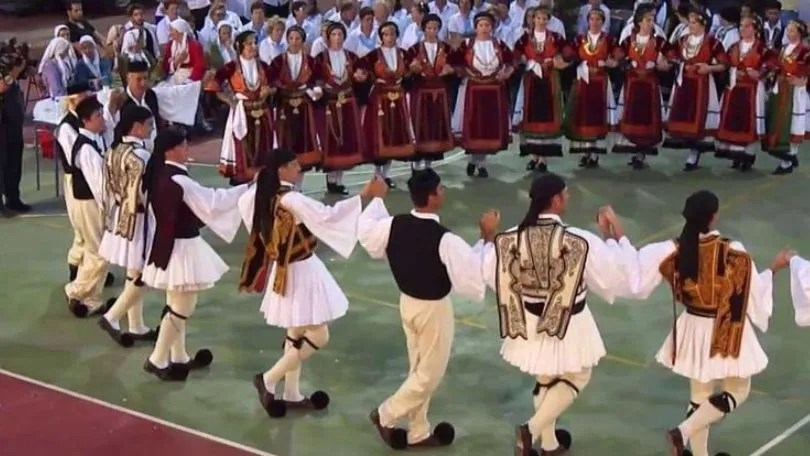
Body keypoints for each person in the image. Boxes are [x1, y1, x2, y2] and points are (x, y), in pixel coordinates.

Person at [602, 190, 791, 456]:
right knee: (738, 390)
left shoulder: (673, 249)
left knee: (700, 395)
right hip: (725, 327)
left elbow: (634, 270)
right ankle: (683, 431)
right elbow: (751, 292)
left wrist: (616, 234)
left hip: (692, 325)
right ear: (713, 217)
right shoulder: (732, 250)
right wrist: (773, 268)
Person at [477, 173, 635, 456]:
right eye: (565, 194)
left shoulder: (511, 237)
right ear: (555, 200)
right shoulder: (578, 239)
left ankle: (549, 444)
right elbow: (611, 276)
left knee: (546, 377)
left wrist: (489, 240)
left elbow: (490, 274)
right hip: (569, 321)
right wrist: (610, 237)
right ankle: (531, 429)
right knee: (578, 375)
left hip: (530, 318)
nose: (569, 197)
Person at [357, 168, 496, 449]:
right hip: (433, 310)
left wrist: (376, 199)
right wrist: (487, 237)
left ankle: (419, 430)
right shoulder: (445, 239)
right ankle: (386, 413)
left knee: (418, 370)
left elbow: (367, 233)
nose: (443, 192)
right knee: (429, 374)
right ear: (432, 197)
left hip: (407, 303)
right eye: (440, 189)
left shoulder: (392, 225)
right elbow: (473, 275)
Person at [238, 149, 365, 418]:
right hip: (302, 270)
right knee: (319, 335)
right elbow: (327, 215)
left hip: (286, 271)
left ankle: (292, 393)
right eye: (294, 164)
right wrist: (364, 196)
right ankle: (269, 379)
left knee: (295, 333)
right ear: (281, 170)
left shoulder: (261, 195)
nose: (299, 168)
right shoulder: (291, 199)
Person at [141, 127, 249, 381]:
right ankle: (157, 359)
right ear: (171, 150)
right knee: (182, 308)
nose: (186, 149)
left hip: (167, 245)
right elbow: (213, 201)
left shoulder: (159, 174)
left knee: (176, 304)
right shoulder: (180, 180)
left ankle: (179, 356)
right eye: (183, 145)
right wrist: (246, 190)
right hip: (182, 247)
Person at [98, 105, 159, 347]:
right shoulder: (141, 156)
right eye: (149, 125)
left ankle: (136, 325)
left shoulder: (112, 150)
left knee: (134, 273)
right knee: (146, 275)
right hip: (138, 221)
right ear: (137, 126)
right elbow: (145, 193)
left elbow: (106, 189)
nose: (152, 129)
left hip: (118, 218)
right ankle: (112, 317)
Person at [64, 96, 110, 318]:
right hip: (90, 203)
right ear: (85, 121)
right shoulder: (86, 149)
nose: (102, 119)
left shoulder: (94, 140)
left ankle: (92, 299)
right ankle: (75, 290)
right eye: (98, 116)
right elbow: (98, 184)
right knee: (100, 252)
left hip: (89, 201)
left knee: (95, 253)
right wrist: (109, 207)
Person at [511, 6, 572, 173]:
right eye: (538, 18)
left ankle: (543, 158)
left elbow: (569, 54)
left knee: (548, 115)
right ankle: (534, 156)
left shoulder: (556, 38)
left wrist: (554, 61)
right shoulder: (524, 39)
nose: (541, 21)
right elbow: (515, 56)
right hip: (531, 82)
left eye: (545, 18)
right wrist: (528, 62)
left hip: (550, 81)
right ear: (533, 19)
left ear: (548, 20)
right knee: (531, 115)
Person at [214, 30, 275, 185]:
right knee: (242, 148)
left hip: (262, 113)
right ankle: (242, 182)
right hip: (242, 112)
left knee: (263, 148)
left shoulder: (264, 66)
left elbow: (276, 85)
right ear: (240, 46)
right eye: (249, 44)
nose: (253, 47)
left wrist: (269, 91)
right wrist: (229, 101)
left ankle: (262, 180)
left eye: (255, 43)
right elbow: (212, 85)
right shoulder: (231, 67)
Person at [761, 19, 809, 175]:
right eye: (788, 30)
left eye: (792, 31)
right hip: (780, 90)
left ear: (800, 33)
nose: (789, 33)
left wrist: (803, 80)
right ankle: (786, 156)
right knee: (780, 121)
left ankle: (789, 157)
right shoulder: (783, 49)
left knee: (792, 122)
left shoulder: (804, 51)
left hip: (795, 92)